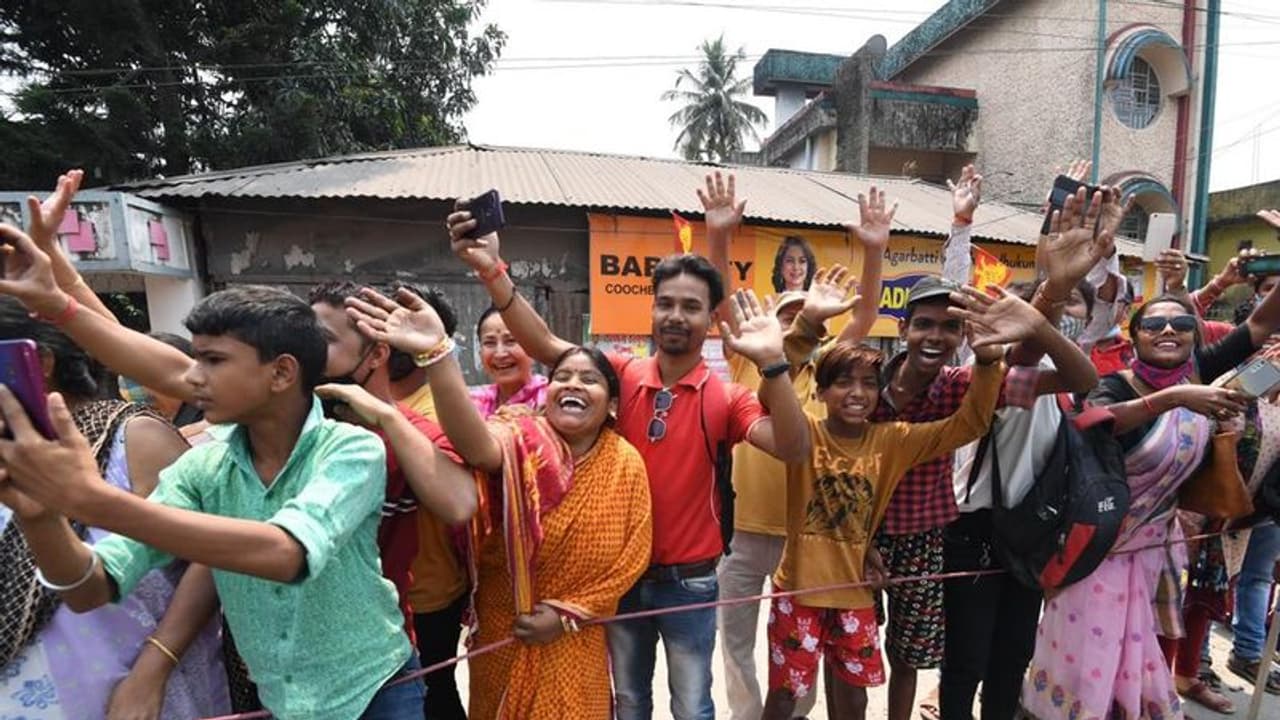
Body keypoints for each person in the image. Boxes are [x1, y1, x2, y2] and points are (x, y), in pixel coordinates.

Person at [0, 225, 429, 719]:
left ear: (282, 373)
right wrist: (41, 520)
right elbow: (90, 587)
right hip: (285, 705)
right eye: (195, 356)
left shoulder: (349, 449)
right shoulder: (203, 467)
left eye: (214, 360)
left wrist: (93, 502)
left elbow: (285, 552)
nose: (194, 376)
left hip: (375, 694)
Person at [446, 203, 810, 720]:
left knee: (691, 702)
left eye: (691, 306)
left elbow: (793, 447)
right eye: (666, 303)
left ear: (711, 319)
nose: (676, 316)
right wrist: (493, 271)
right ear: (652, 310)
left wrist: (773, 364)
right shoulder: (620, 373)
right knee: (630, 700)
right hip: (617, 581)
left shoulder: (725, 397)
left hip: (691, 582)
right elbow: (546, 345)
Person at [346, 286, 653, 720]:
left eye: (590, 379)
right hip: (504, 625)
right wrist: (437, 354)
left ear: (613, 405)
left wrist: (567, 616)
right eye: (563, 376)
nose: (573, 384)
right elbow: (477, 446)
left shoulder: (626, 463)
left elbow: (631, 559)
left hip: (576, 635)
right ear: (548, 391)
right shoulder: (520, 436)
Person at [760, 279, 1055, 720]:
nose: (857, 394)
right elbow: (772, 399)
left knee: (883, 671)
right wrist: (795, 337)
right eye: (843, 383)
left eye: (866, 385)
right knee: (788, 693)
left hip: (890, 564)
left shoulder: (894, 438)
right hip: (811, 579)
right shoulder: (805, 435)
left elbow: (970, 424)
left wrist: (992, 355)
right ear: (820, 393)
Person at [1022, 282, 1280, 720]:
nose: (1168, 331)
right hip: (1096, 553)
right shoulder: (1115, 385)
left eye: (1180, 324)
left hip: (1155, 550)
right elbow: (1093, 422)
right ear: (1135, 336)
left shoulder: (1197, 369)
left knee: (1134, 664)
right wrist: (1172, 399)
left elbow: (1260, 323)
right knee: (1089, 665)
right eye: (1154, 324)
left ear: (1193, 336)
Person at [700, 171, 888, 720]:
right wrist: (718, 236)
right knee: (734, 641)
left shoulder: (830, 376)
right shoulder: (748, 360)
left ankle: (791, 714)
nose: (792, 326)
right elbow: (719, 305)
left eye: (804, 318)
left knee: (797, 651)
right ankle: (745, 714)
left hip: (804, 538)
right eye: (785, 316)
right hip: (740, 533)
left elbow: (868, 315)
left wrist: (873, 252)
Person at [0, 297, 229, 720]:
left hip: (135, 692)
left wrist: (153, 668)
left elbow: (214, 560)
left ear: (38, 362)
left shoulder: (133, 437)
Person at [934, 175, 1111, 720]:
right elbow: (1017, 338)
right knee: (966, 659)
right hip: (975, 526)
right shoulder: (985, 373)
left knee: (1014, 654)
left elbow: (1079, 358)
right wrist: (961, 226)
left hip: (1033, 521)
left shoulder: (1053, 366)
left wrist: (1060, 291)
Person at [383, 282, 473, 720]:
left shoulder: (441, 410)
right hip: (380, 591)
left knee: (433, 693)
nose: (393, 335)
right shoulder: (363, 400)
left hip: (429, 590)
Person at [469, 307, 549, 415]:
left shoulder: (551, 399)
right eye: (490, 343)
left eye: (511, 341)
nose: (500, 354)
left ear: (532, 347)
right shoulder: (472, 404)